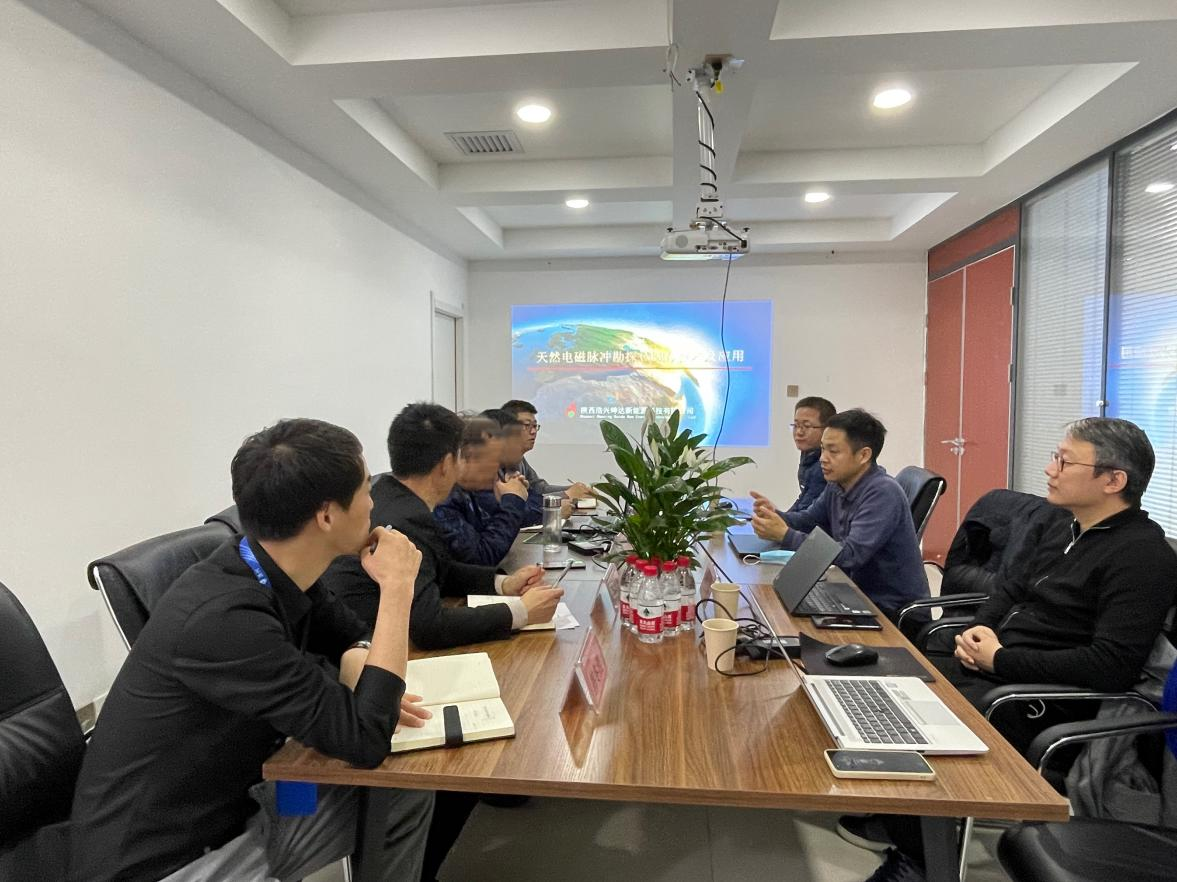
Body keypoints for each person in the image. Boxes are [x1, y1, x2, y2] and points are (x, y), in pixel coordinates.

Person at [69, 419, 435, 882]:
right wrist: (398, 587)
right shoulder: (225, 619)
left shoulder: (269, 565)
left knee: (401, 788)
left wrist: (357, 660)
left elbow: (351, 634)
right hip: (175, 860)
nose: (373, 503)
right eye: (365, 490)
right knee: (388, 782)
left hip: (256, 799)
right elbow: (365, 739)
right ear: (326, 516)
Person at [850, 417, 1177, 882]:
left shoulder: (1142, 556)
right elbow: (1009, 590)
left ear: (1113, 480)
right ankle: (903, 817)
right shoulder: (1065, 526)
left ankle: (920, 861)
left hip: (1044, 697)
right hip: (1000, 668)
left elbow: (1111, 666)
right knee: (881, 676)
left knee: (917, 718)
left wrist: (1000, 659)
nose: (1050, 469)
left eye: (1064, 461)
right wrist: (978, 631)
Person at [323, 402, 564, 650]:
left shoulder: (389, 494)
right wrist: (521, 612)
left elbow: (437, 568)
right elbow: (429, 627)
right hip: (363, 647)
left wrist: (502, 583)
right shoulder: (409, 518)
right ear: (446, 464)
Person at [749, 408, 929, 618]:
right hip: (853, 593)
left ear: (863, 455)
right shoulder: (837, 484)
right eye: (823, 449)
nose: (823, 459)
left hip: (892, 611)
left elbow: (850, 556)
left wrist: (785, 535)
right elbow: (808, 521)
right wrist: (777, 517)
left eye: (833, 452)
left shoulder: (883, 493)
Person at [434, 416, 529, 566]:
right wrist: (512, 501)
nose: (497, 469)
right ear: (466, 458)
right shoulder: (442, 501)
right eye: (493, 461)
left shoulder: (470, 490)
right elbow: (482, 557)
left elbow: (490, 535)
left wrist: (503, 502)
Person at [500, 399, 593, 500]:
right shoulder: (494, 462)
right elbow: (519, 502)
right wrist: (566, 494)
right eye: (527, 425)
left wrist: (577, 490)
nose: (533, 431)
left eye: (535, 426)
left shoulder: (518, 458)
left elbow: (539, 488)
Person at [784, 395, 836, 513]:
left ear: (827, 429)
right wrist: (778, 516)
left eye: (806, 426)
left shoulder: (824, 465)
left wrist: (780, 519)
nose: (799, 432)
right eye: (796, 425)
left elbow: (809, 512)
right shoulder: (809, 453)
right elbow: (804, 498)